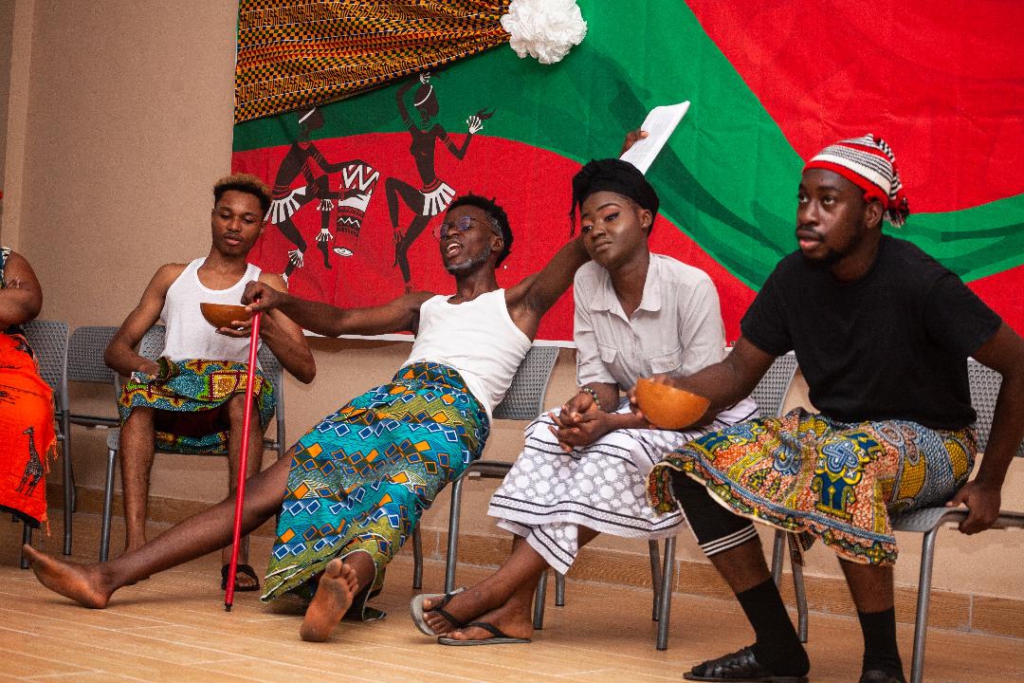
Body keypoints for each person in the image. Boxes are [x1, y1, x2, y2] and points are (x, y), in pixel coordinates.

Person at [25, 192, 590, 644]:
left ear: (496, 241)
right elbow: (340, 320)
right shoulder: (424, 304)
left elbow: (580, 245)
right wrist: (281, 302)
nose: (449, 234)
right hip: (386, 402)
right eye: (444, 228)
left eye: (465, 226)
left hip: (451, 412)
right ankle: (108, 577)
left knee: (401, 488)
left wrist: (622, 166)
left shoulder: (520, 301)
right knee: (261, 491)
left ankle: (346, 585)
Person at [634, 135, 1024, 683]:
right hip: (836, 434)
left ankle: (882, 666)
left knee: (843, 463)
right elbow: (737, 372)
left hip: (936, 442)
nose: (807, 214)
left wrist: (991, 481)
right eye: (802, 199)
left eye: (827, 201)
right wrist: (677, 387)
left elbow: (1019, 363)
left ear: (871, 212)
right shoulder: (793, 277)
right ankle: (778, 649)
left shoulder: (922, 282)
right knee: (692, 468)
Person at [412, 158, 758, 645]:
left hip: (704, 427)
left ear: (644, 218)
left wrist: (611, 424)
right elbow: (602, 382)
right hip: (635, 422)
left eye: (610, 216)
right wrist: (584, 405)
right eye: (588, 223)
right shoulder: (588, 282)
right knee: (547, 433)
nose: (596, 229)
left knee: (612, 452)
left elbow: (701, 398)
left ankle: (493, 594)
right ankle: (514, 611)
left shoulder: (690, 286)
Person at [104, 173, 316, 591]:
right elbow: (117, 350)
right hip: (173, 397)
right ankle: (135, 550)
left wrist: (264, 325)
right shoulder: (172, 276)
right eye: (226, 215)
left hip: (228, 406)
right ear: (213, 217)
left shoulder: (268, 285)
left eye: (247, 220)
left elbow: (306, 368)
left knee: (245, 395)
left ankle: (234, 556)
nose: (234, 226)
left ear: (261, 228)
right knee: (138, 401)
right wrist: (152, 370)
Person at [0, 247, 57, 533]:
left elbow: (25, 305)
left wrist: (12, 303)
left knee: (26, 410)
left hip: (8, 363)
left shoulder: (7, 258)